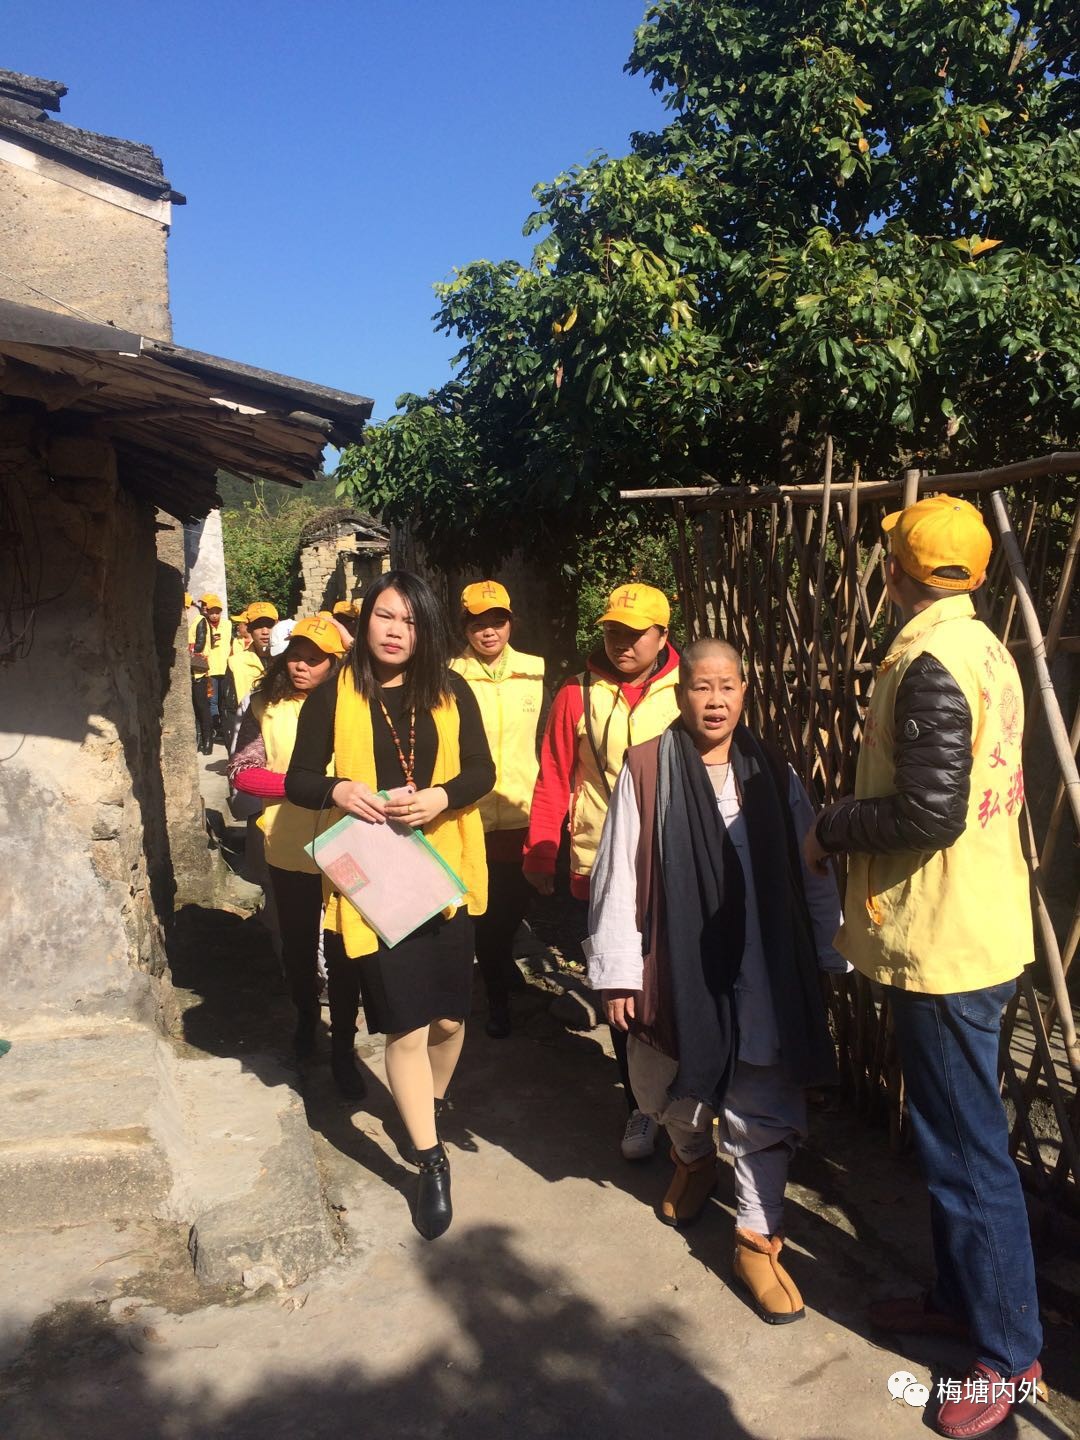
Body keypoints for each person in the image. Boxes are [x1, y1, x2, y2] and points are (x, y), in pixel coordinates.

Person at [803, 496, 1042, 1437]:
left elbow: (930, 812)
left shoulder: (934, 662)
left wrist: (829, 826)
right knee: (950, 1139)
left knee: (970, 1153)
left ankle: (1009, 1355)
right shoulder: (980, 644)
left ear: (900, 571)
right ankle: (960, 1299)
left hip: (947, 943)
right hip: (966, 926)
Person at [587, 639, 842, 1323]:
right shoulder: (648, 768)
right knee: (666, 1084)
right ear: (681, 694)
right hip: (676, 965)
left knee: (763, 1090)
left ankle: (756, 1237)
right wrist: (616, 972)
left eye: (728, 685)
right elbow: (617, 876)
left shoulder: (771, 771)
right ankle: (693, 1157)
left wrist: (826, 944)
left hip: (765, 961)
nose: (716, 700)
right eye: (702, 686)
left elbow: (811, 863)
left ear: (745, 691)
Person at [286, 571, 495, 1241]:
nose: (394, 629)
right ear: (365, 621)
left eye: (407, 619)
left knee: (450, 1020)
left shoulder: (450, 689)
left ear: (425, 627)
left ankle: (426, 1105)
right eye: (383, 615)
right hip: (373, 877)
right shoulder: (335, 694)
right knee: (404, 1025)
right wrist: (339, 789)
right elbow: (298, 780)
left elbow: (481, 772)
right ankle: (428, 1160)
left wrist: (440, 797)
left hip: (442, 873)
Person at [523, 582, 680, 1159]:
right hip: (602, 862)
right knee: (621, 988)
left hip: (673, 861)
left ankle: (685, 1100)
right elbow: (555, 775)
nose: (620, 643)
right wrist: (543, 850)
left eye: (633, 634)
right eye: (612, 631)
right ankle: (639, 1107)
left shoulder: (687, 688)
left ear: (662, 635)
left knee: (678, 983)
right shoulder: (576, 693)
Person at [229, 616, 346, 1057]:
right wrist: (298, 786)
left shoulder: (353, 706)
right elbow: (242, 771)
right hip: (289, 842)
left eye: (314, 660)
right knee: (297, 943)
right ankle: (305, 1019)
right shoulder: (265, 704)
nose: (302, 666)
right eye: (296, 656)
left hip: (347, 843)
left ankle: (346, 1036)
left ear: (333, 665)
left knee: (343, 941)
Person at [450, 581, 545, 1038]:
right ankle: (497, 1001)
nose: (489, 631)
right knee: (484, 912)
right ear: (464, 626)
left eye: (497, 621)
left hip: (523, 810)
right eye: (478, 622)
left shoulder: (536, 673)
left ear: (511, 622)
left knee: (514, 904)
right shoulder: (448, 677)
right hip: (469, 815)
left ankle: (500, 963)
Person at [189, 592, 233, 750]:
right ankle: (213, 731)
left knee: (222, 701)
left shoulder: (225, 624)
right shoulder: (202, 622)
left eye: (216, 611)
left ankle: (217, 732)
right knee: (211, 701)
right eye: (209, 610)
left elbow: (199, 647)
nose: (213, 614)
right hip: (210, 668)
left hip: (222, 666)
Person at [229, 602, 279, 706]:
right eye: (258, 626)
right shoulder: (235, 662)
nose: (265, 631)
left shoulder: (287, 660)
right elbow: (229, 706)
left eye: (269, 625)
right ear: (250, 629)